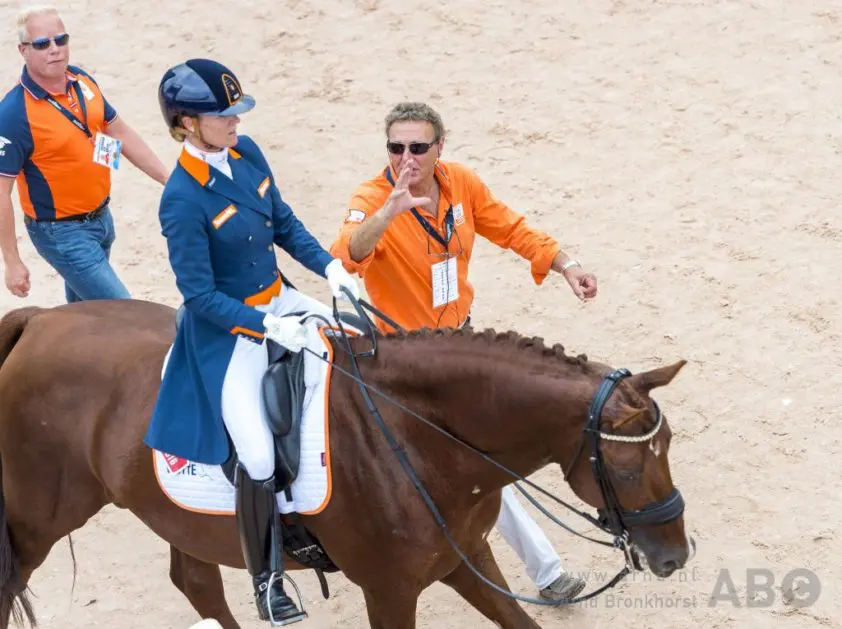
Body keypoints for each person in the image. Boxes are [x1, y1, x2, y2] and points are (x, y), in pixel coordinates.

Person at [329, 101, 596, 602]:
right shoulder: (372, 196)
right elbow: (348, 251)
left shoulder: (461, 183)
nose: (404, 157)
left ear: (439, 149)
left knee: (488, 452)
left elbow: (511, 228)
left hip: (460, 346)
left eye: (417, 147)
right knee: (482, 456)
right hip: (407, 361)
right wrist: (392, 208)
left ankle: (543, 570)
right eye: (395, 147)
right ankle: (548, 572)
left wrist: (565, 264)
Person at [145, 58, 359, 625]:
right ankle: (267, 580)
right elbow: (197, 297)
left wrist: (330, 268)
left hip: (279, 297)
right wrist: (266, 325)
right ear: (189, 123)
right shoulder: (182, 199)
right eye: (225, 115)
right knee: (259, 453)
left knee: (365, 343)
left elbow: (283, 224)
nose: (236, 121)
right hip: (229, 333)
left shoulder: (248, 153)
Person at [0, 4, 169, 303]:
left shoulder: (82, 80)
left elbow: (120, 133)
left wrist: (170, 180)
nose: (55, 49)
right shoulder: (14, 114)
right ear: (23, 50)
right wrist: (12, 261)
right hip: (62, 234)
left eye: (60, 39)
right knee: (126, 313)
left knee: (86, 317)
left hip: (102, 218)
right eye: (42, 44)